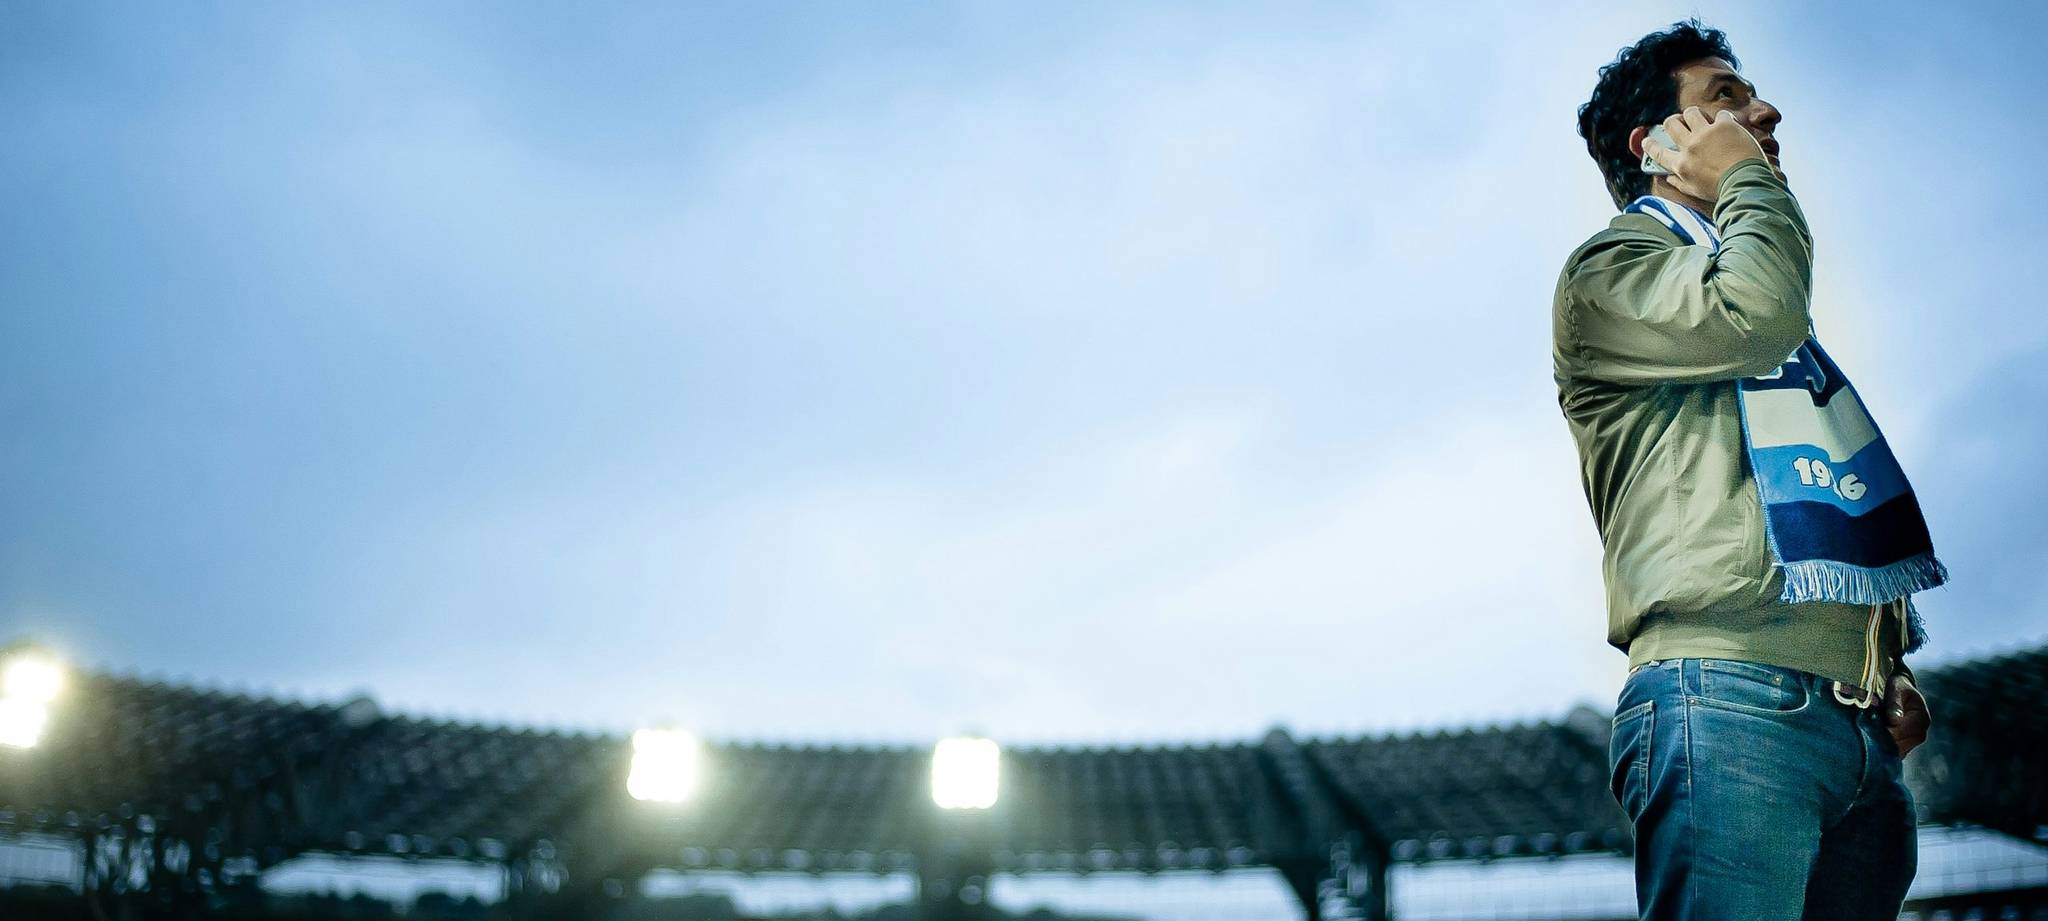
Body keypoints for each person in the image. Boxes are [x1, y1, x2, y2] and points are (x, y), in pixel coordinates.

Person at [1554, 18, 1950, 920]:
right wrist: (1742, 177)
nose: (1764, 113)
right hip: (1725, 699)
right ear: (1656, 144)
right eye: (1726, 99)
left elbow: (1789, 494)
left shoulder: (1738, 296)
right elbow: (1762, 312)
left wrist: (1880, 660)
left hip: (1855, 730)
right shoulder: (1611, 273)